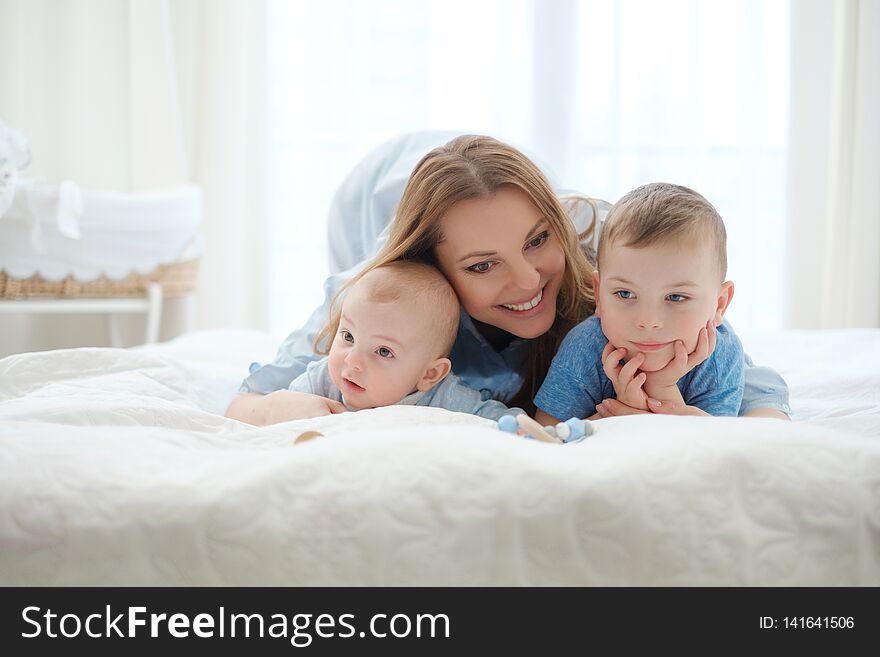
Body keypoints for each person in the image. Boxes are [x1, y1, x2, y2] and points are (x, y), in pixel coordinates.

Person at [225, 132, 790, 425]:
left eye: (537, 241)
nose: (527, 281)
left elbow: (753, 381)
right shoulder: (387, 294)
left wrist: (716, 429)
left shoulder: (612, 256)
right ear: (438, 270)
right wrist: (278, 408)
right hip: (371, 189)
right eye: (482, 266)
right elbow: (247, 400)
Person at [535, 182, 744, 425]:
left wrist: (662, 389)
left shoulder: (721, 355)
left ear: (719, 305)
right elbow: (545, 433)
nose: (647, 321)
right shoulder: (585, 347)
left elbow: (714, 453)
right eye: (625, 294)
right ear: (599, 294)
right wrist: (620, 416)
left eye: (676, 297)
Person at [288, 260, 519, 420]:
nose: (353, 360)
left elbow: (497, 419)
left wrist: (519, 430)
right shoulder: (321, 381)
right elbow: (287, 404)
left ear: (430, 374)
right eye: (348, 336)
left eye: (383, 351)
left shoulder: (441, 398)